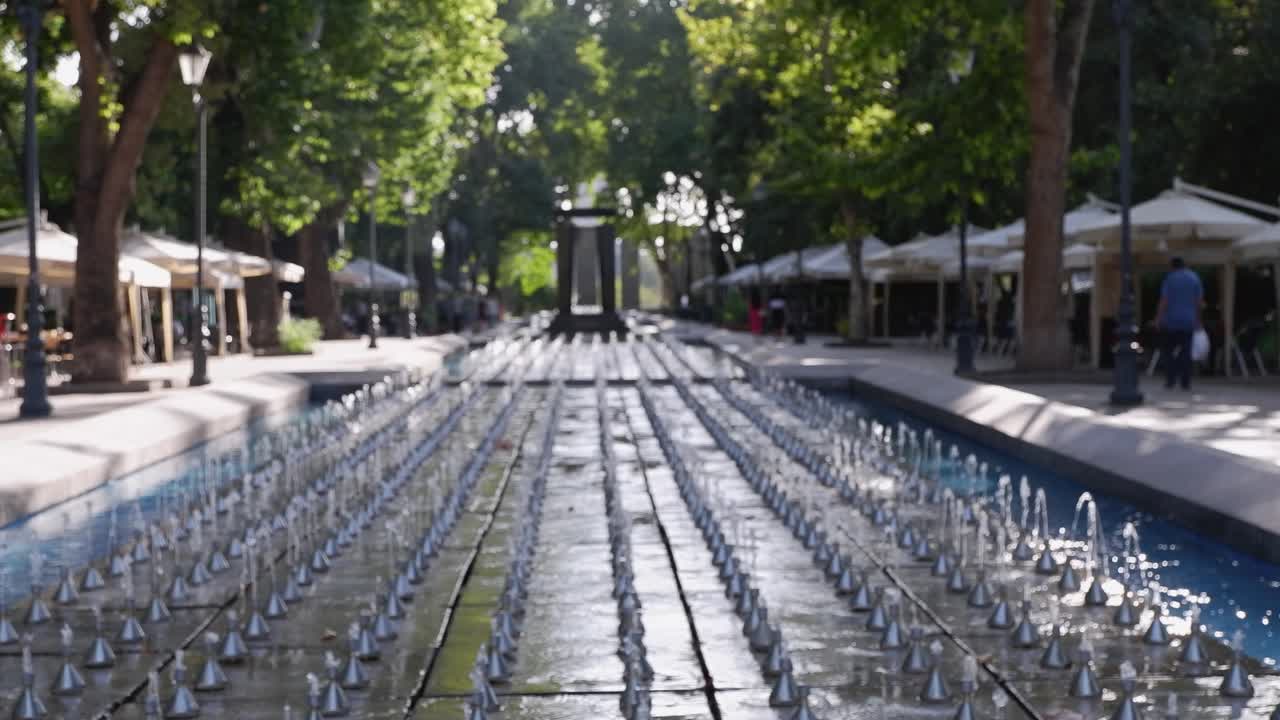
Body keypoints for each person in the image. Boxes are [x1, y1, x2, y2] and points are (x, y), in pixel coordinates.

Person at [1154, 256, 1202, 390]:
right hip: (1188, 320)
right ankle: (1185, 381)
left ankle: (1170, 379)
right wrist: (1198, 319)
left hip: (1170, 321)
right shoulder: (1194, 278)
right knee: (1186, 352)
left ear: (1172, 266)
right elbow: (1198, 302)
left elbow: (1164, 300)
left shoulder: (1170, 279)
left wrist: (1158, 318)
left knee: (1168, 352)